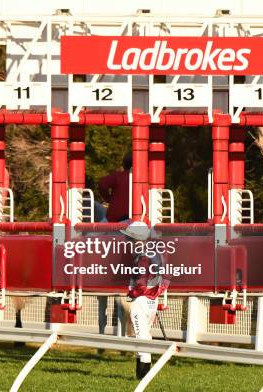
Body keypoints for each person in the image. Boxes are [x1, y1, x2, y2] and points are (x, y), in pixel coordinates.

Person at [118, 221, 169, 380]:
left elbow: (141, 282)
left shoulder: (142, 257)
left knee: (141, 337)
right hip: (152, 301)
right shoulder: (156, 253)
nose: (128, 243)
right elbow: (166, 279)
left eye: (130, 239)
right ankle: (143, 375)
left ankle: (143, 376)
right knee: (145, 336)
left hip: (140, 300)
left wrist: (132, 292)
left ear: (137, 239)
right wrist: (157, 292)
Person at [98, 152, 132, 222]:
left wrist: (108, 199)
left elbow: (102, 184)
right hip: (136, 219)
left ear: (124, 164)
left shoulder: (118, 176)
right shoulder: (143, 179)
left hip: (114, 217)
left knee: (94, 231)